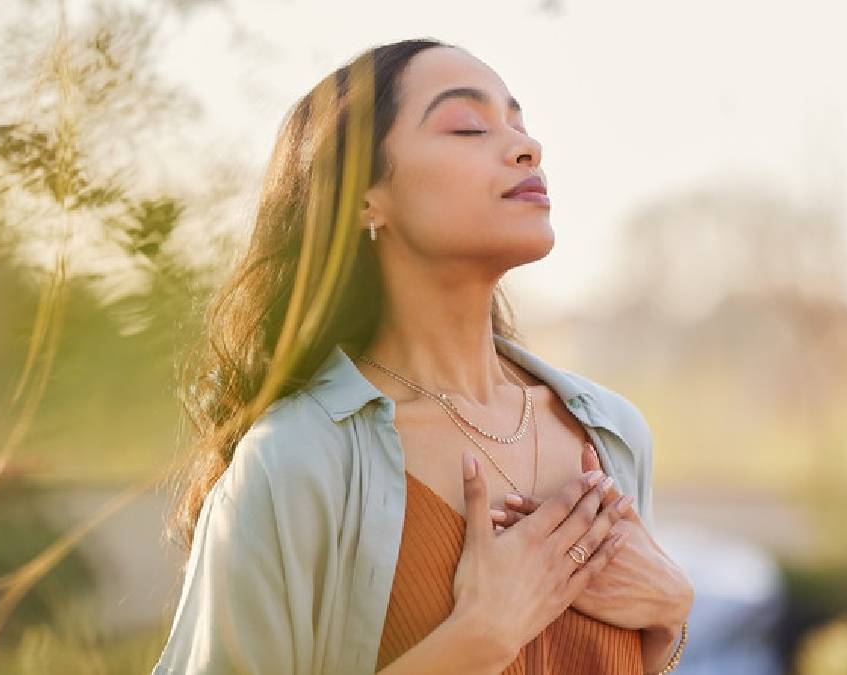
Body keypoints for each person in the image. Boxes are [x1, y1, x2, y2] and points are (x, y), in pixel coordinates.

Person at [151, 37, 693, 675]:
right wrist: (476, 641)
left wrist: (670, 618)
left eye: (519, 124)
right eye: (467, 127)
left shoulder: (614, 431)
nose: (528, 148)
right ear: (363, 198)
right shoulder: (294, 461)